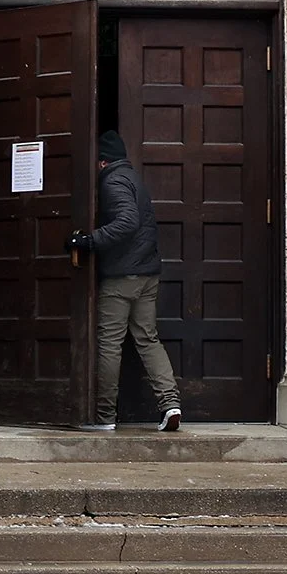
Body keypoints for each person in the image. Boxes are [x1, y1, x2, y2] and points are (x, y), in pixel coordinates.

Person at [69, 131, 182, 432]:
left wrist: (90, 241)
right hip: (147, 274)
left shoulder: (113, 180)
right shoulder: (133, 178)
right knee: (148, 339)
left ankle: (104, 417)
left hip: (122, 277)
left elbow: (127, 221)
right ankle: (170, 405)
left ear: (102, 162)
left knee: (109, 344)